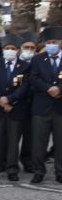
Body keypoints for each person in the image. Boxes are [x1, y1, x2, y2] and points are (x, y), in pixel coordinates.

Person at [0, 34, 30, 182]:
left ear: (18, 50)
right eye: (7, 48)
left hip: (15, 109)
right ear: (3, 49)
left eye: (13, 48)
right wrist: (0, 99)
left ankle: (12, 169)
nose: (10, 50)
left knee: (13, 142)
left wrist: (10, 100)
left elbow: (25, 87)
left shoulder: (25, 66)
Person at [27, 26, 62, 183]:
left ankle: (60, 171)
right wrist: (48, 88)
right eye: (48, 42)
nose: (51, 45)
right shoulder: (38, 59)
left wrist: (59, 89)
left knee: (60, 142)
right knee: (39, 142)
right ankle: (38, 171)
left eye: (54, 41)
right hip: (41, 107)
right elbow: (33, 79)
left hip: (60, 108)